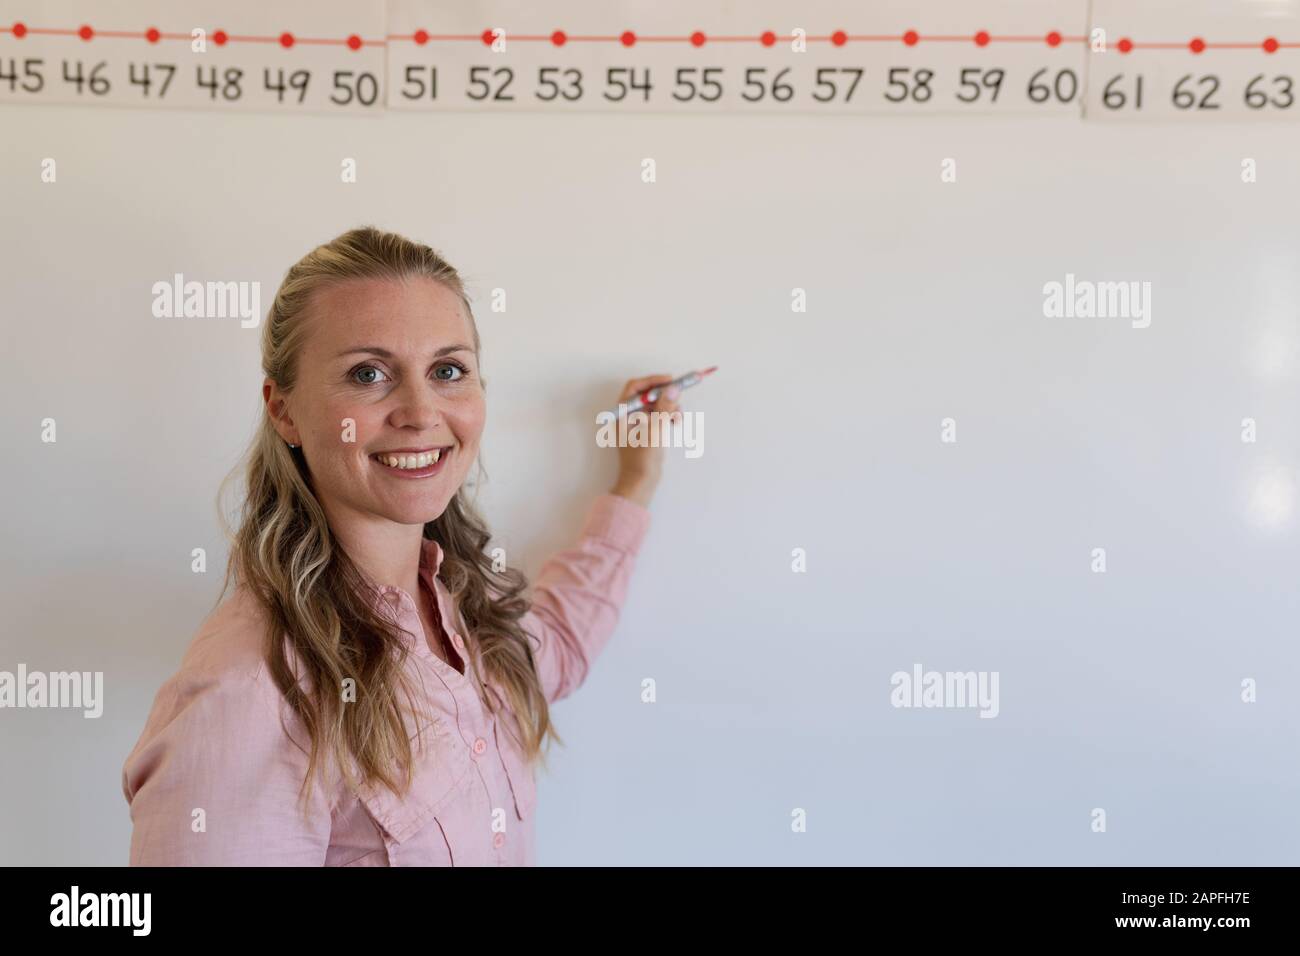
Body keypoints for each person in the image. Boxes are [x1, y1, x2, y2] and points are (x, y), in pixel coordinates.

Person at [121, 226, 680, 865]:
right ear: (284, 411)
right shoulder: (249, 693)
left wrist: (635, 481)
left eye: (448, 370)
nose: (420, 411)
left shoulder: (459, 608)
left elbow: (555, 649)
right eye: (368, 373)